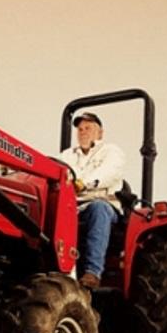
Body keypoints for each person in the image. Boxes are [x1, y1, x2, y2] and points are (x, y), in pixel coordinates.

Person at [60, 112, 125, 289]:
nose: (83, 132)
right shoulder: (67, 155)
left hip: (101, 202)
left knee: (99, 208)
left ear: (100, 132)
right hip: (72, 205)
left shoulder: (111, 151)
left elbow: (110, 172)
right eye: (80, 129)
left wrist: (84, 183)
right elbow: (57, 171)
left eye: (88, 128)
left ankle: (92, 272)